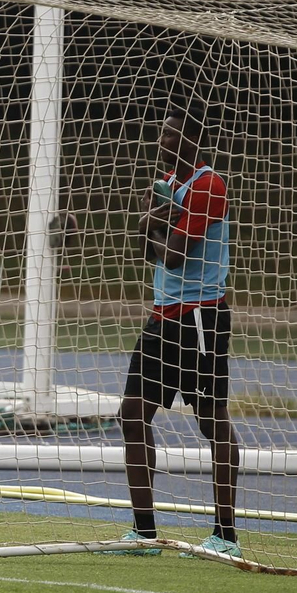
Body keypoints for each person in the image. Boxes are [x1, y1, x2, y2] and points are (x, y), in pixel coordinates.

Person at [110, 98, 239, 558]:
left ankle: (226, 535)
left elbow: (177, 254)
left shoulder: (208, 185)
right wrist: (152, 221)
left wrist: (152, 221)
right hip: (162, 314)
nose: (160, 139)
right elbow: (146, 250)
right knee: (131, 413)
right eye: (161, 131)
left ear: (191, 139)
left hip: (201, 317)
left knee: (210, 421)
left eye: (168, 132)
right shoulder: (165, 184)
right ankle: (144, 533)